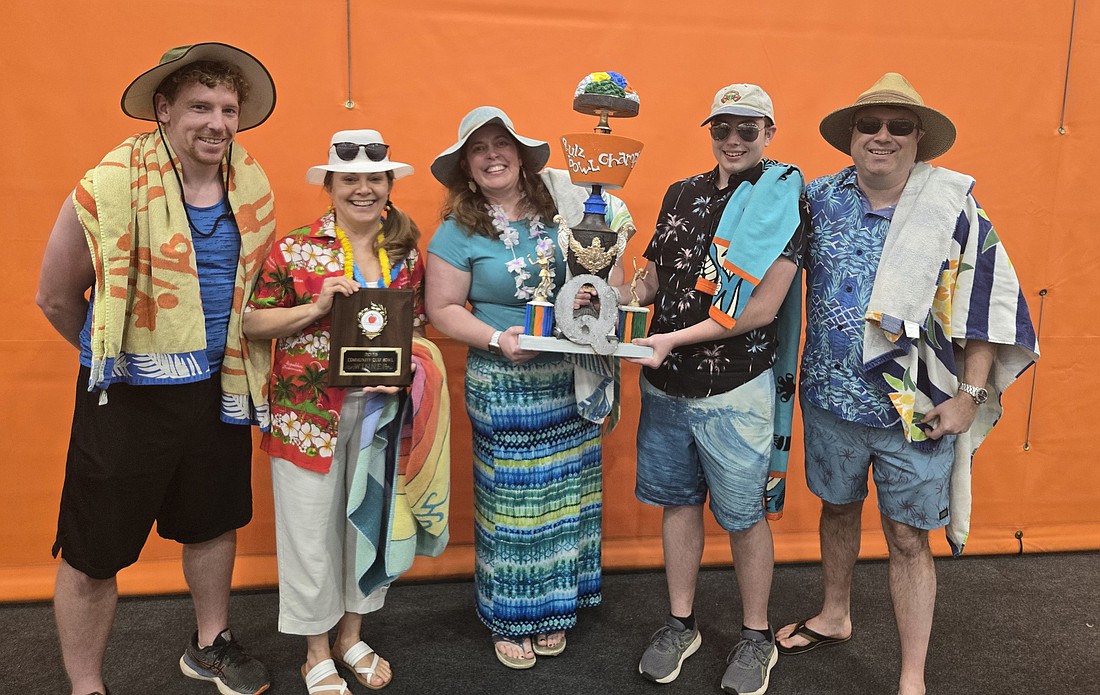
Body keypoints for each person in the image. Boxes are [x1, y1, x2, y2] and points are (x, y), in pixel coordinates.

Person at [775, 73, 1039, 695]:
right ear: (851, 137)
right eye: (871, 125)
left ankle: (912, 675)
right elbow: (767, 274)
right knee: (837, 509)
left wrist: (968, 397)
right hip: (832, 398)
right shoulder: (817, 199)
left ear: (920, 138)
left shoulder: (954, 209)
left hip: (916, 410)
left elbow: (988, 311)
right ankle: (835, 615)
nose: (883, 136)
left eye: (899, 126)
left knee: (905, 537)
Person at [35, 43, 277, 695]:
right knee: (93, 552)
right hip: (129, 397)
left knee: (212, 522)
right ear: (164, 110)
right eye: (201, 105)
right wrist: (113, 358)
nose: (217, 121)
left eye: (228, 108)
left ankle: (210, 644)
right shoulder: (109, 184)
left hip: (219, 389)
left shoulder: (250, 184)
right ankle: (87, 686)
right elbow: (56, 297)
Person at [425, 106, 634, 669]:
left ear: (520, 156)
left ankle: (556, 606)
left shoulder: (566, 211)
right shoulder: (457, 231)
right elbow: (441, 309)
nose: (493, 155)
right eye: (480, 149)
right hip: (505, 379)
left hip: (570, 377)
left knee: (565, 494)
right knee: (513, 503)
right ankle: (513, 615)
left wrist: (594, 295)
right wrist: (497, 338)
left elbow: (603, 276)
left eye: (503, 144)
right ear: (467, 166)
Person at [621, 84, 809, 695]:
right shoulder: (682, 193)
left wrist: (674, 340)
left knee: (744, 515)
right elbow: (654, 275)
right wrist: (615, 294)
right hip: (665, 386)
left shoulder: (782, 200)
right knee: (679, 504)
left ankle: (756, 634)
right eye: (722, 128)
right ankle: (682, 623)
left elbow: (761, 309)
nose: (732, 140)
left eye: (746, 130)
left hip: (734, 389)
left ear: (768, 133)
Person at [244, 128, 447, 693]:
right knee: (309, 532)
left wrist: (408, 371)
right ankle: (315, 651)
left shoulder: (406, 251)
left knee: (369, 524)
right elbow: (253, 323)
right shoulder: (295, 248)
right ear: (329, 186)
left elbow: (419, 328)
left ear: (388, 185)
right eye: (350, 179)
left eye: (374, 179)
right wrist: (314, 308)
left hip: (380, 415)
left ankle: (351, 636)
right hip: (307, 414)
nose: (363, 189)